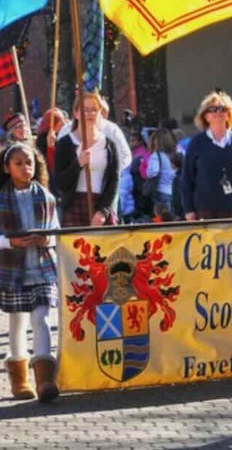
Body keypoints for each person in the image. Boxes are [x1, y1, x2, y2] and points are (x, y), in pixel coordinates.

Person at [0, 142, 60, 402]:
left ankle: (45, 380)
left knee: (42, 317)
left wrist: (47, 239)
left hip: (43, 265)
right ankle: (20, 379)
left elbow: (57, 231)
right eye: (19, 163)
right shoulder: (1, 198)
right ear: (6, 168)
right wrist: (10, 242)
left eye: (30, 163)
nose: (26, 168)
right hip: (13, 268)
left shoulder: (46, 196)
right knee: (18, 322)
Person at [54, 91, 120, 227]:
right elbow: (60, 183)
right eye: (86, 110)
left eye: (94, 110)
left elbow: (114, 180)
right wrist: (78, 163)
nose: (90, 114)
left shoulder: (109, 145)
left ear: (100, 113)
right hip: (75, 206)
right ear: (76, 113)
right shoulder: (65, 143)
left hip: (101, 205)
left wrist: (103, 211)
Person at [182, 90, 232, 220]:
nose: (218, 112)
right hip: (205, 211)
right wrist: (188, 210)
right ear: (206, 116)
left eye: (223, 109)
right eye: (213, 109)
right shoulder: (197, 142)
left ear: (229, 114)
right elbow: (187, 179)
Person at [35, 108, 69, 196]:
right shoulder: (42, 141)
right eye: (60, 122)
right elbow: (49, 165)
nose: (64, 124)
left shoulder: (65, 138)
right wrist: (51, 147)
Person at [146, 128, 177, 214]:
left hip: (161, 191)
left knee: (162, 218)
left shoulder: (156, 156)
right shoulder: (176, 154)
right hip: (174, 191)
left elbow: (153, 173)